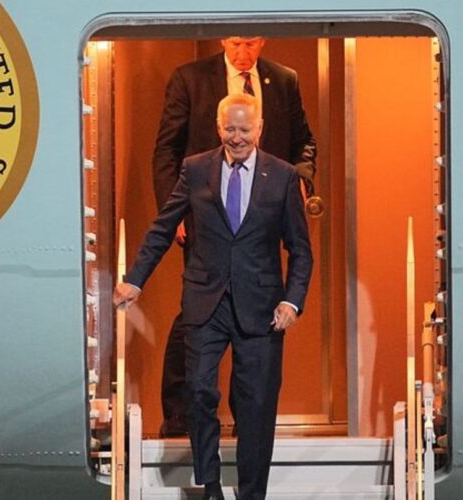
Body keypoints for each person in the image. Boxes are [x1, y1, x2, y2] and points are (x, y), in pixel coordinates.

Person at [115, 94, 313, 500]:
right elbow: (162, 227)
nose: (236, 137)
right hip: (205, 301)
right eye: (229, 129)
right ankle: (210, 484)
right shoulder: (195, 168)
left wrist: (292, 302)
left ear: (259, 129)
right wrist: (135, 279)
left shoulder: (283, 176)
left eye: (244, 129)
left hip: (262, 309)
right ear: (219, 127)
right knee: (200, 391)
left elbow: (301, 249)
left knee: (256, 404)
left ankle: (252, 492)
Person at [152, 37, 317, 437]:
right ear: (225, 40)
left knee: (256, 313)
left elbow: (304, 143)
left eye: (252, 41)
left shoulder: (284, 79)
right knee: (197, 311)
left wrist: (301, 181)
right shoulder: (190, 78)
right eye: (237, 41)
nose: (245, 48)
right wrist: (173, 212)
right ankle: (180, 414)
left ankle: (251, 420)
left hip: (261, 218)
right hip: (205, 220)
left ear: (262, 41)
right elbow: (166, 151)